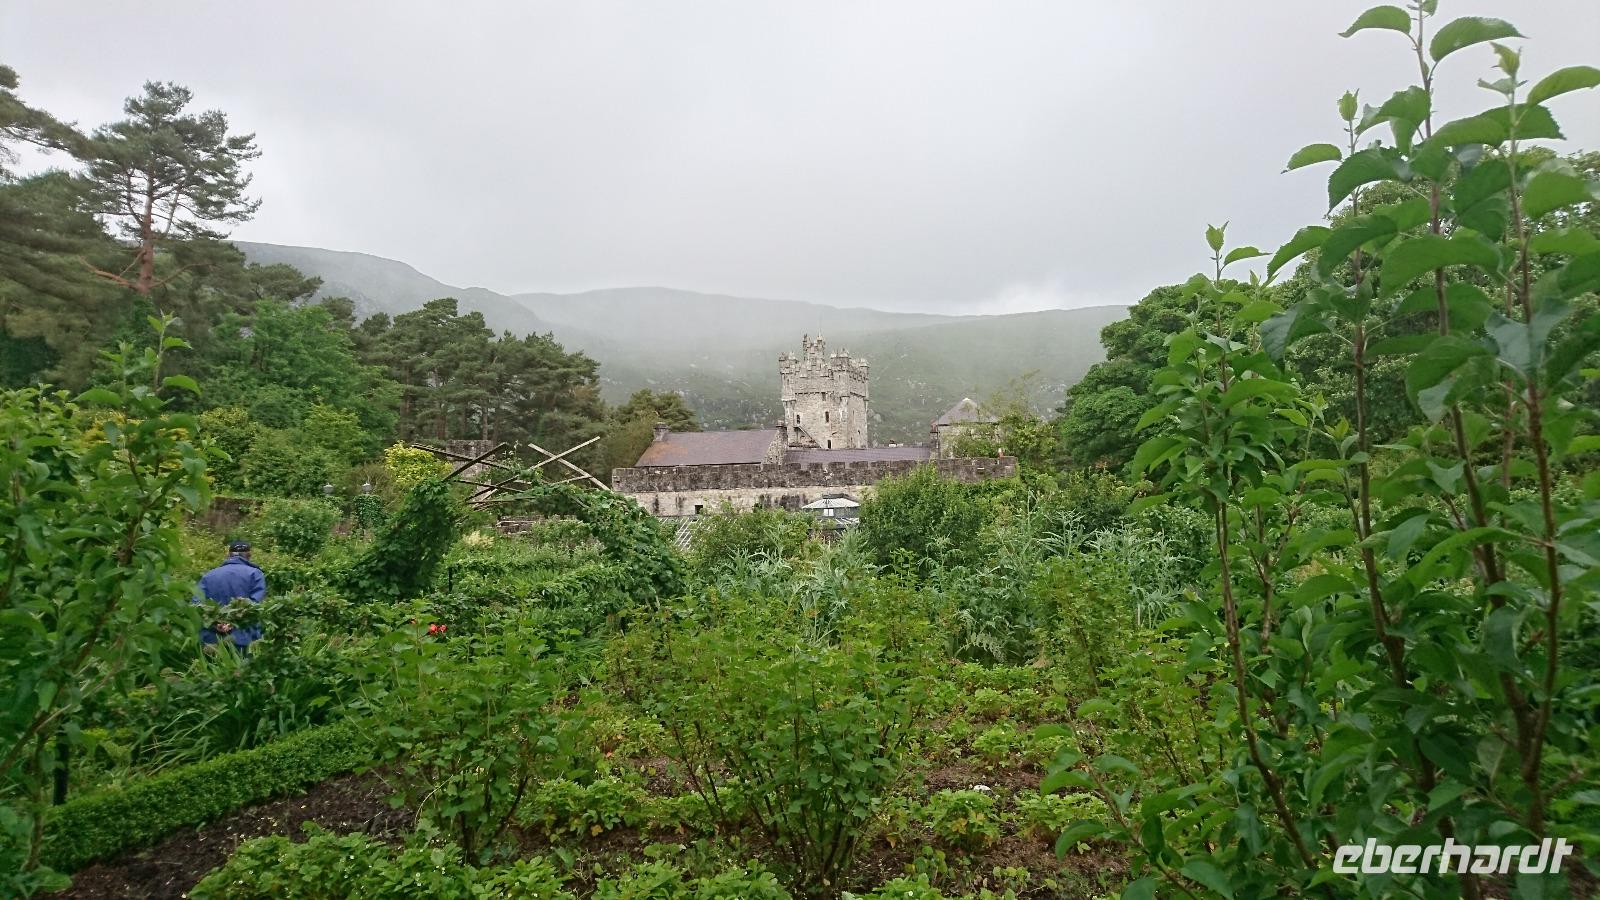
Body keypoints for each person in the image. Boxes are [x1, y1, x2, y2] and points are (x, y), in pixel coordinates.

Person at [195, 540, 268, 649]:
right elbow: (255, 605)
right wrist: (233, 623)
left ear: (229, 555)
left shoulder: (209, 576)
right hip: (244, 639)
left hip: (212, 640)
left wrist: (216, 624)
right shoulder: (255, 574)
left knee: (212, 665)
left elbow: (197, 605)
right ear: (249, 555)